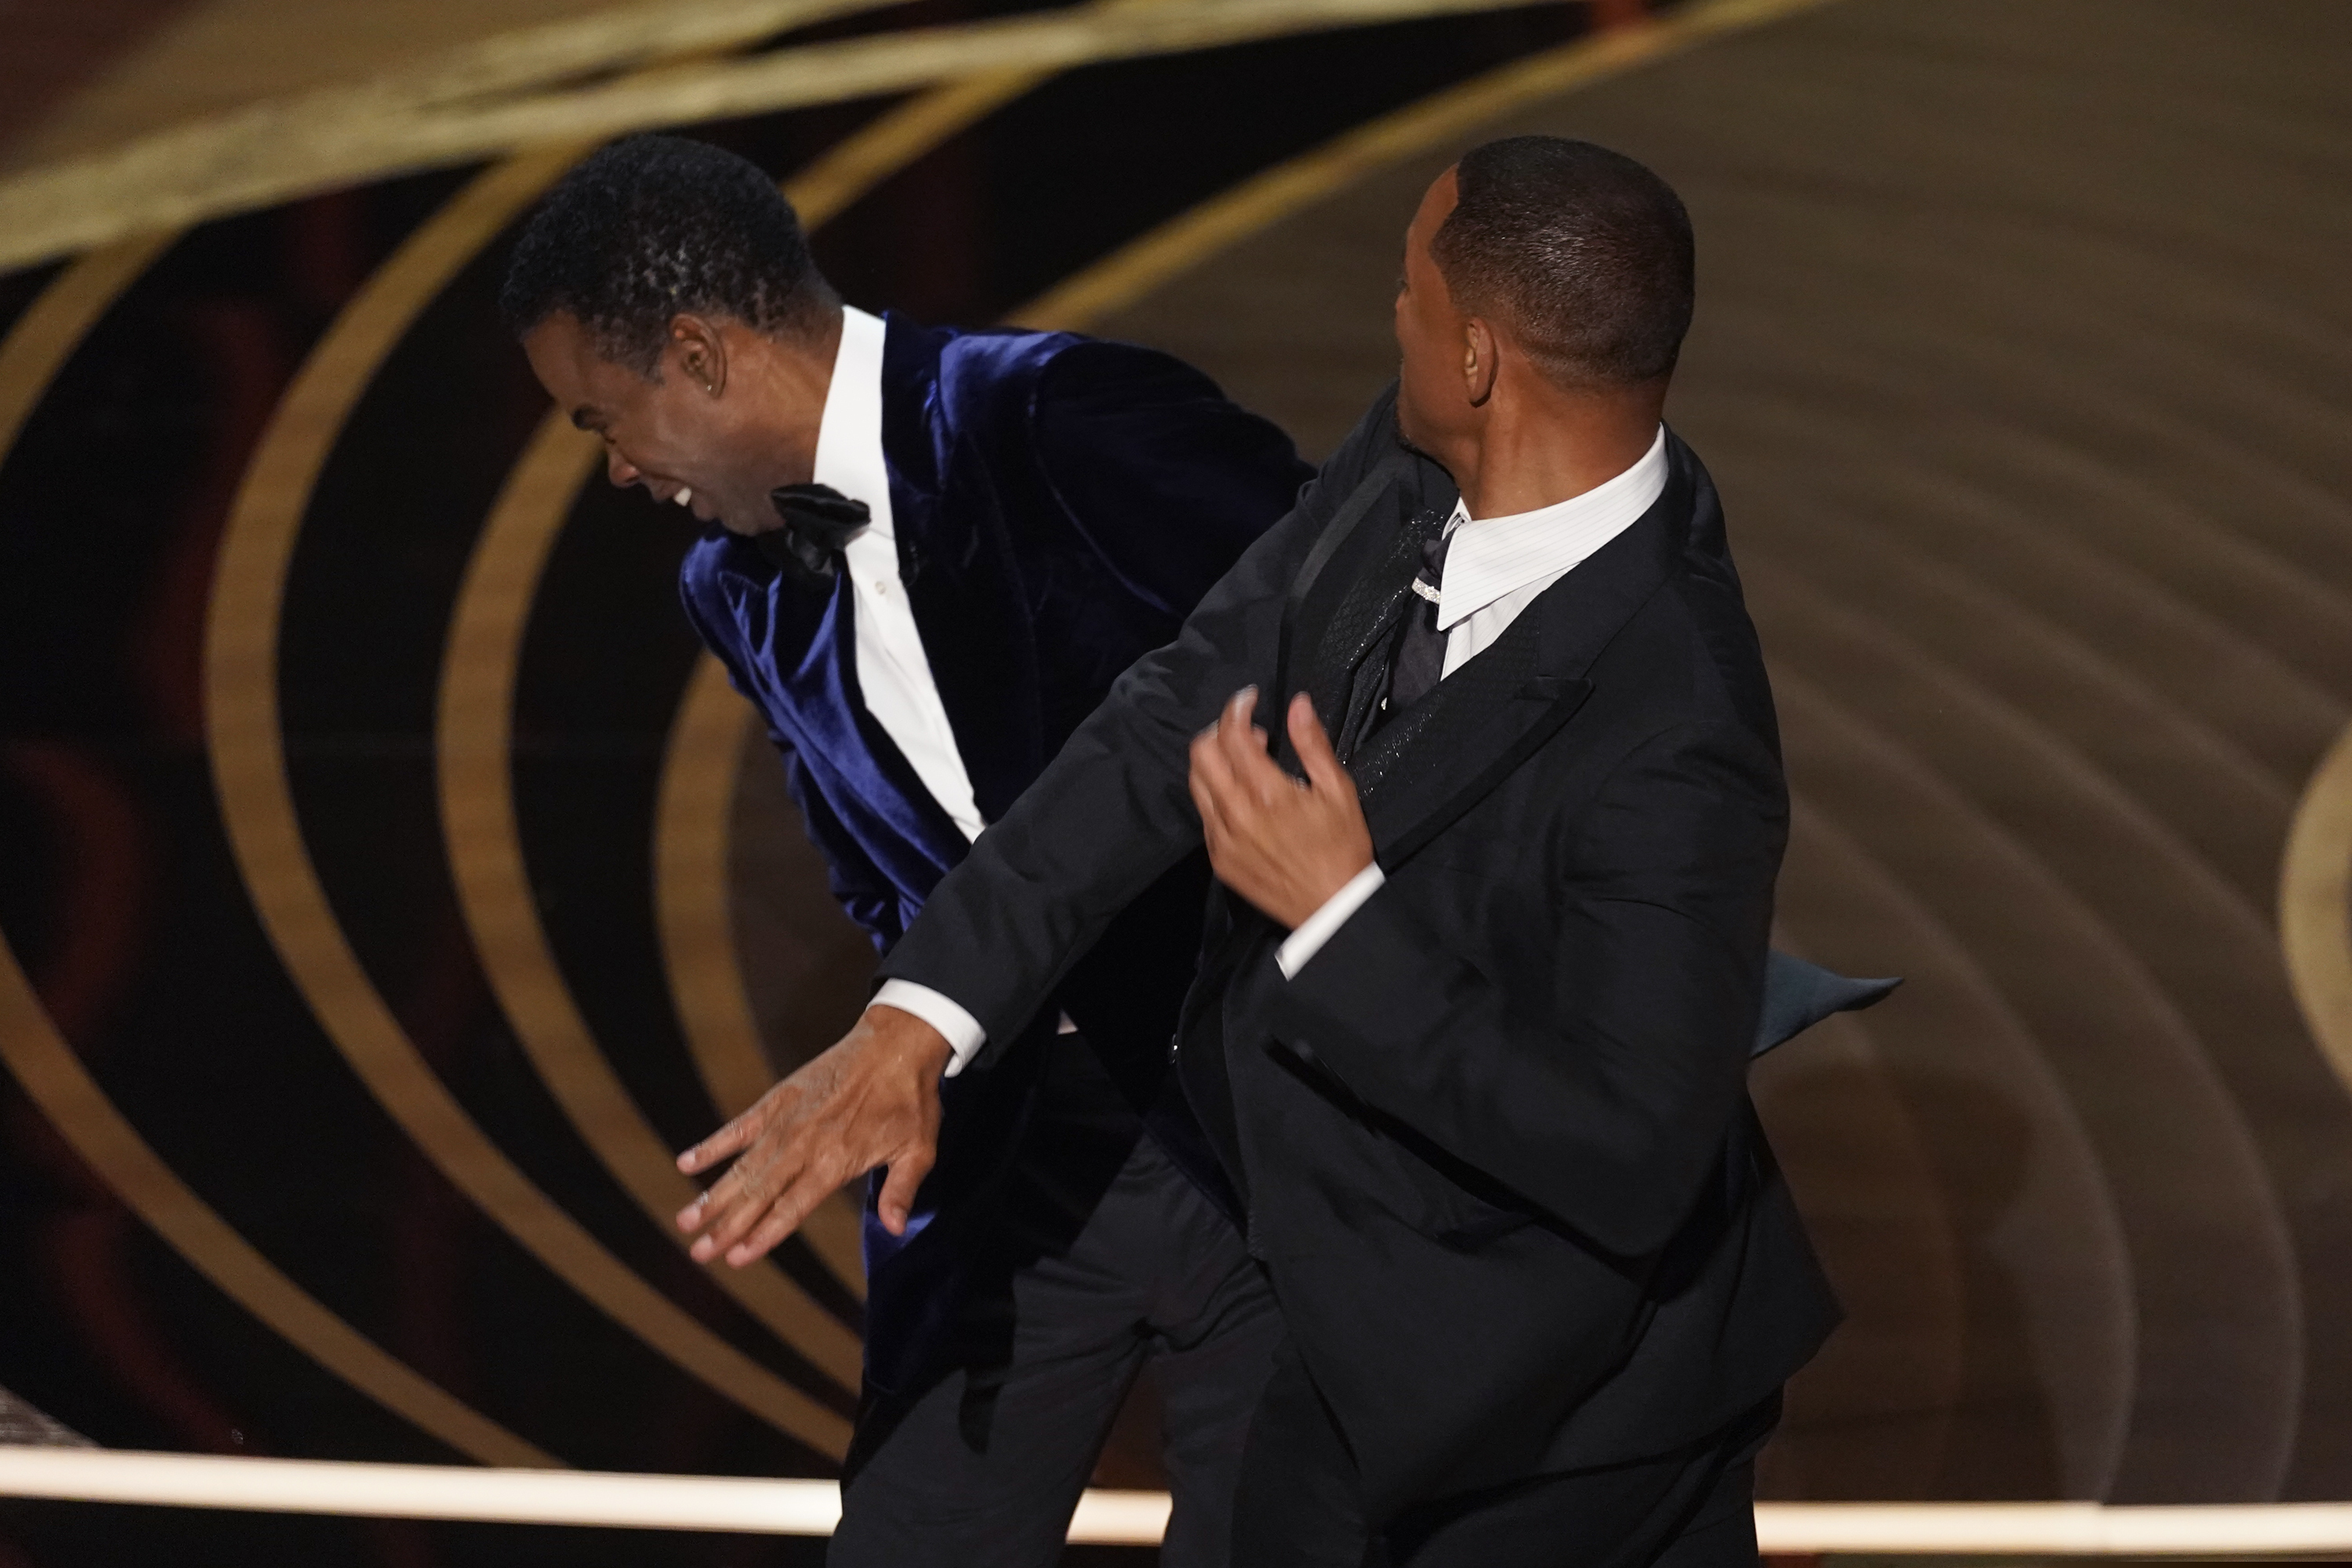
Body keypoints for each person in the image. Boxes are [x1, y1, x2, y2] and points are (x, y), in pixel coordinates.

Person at [676, 136, 1879, 1566]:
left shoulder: (1680, 721)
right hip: (1335, 1340)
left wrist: (1338, 915)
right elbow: (1170, 712)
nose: (1393, 319)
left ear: (1482, 359)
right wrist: (921, 1017)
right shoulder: (1409, 462)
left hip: (1566, 1428)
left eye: (1408, 295)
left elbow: (1625, 1155)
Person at [501, 133, 1315, 1567]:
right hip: (1006, 1153)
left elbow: (1365, 661)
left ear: (698, 352)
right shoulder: (731, 588)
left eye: (598, 418)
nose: (616, 471)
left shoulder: (1064, 415)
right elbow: (877, 874)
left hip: (1260, 1128)